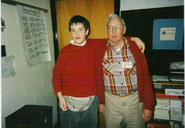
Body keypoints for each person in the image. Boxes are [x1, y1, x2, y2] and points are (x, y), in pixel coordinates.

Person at [52, 15, 145, 128]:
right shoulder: (65, 51)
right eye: (73, 30)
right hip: (69, 101)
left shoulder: (94, 44)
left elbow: (114, 37)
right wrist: (60, 97)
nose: (77, 34)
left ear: (87, 31)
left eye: (80, 30)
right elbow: (56, 75)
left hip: (91, 101)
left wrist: (133, 38)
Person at [95, 14, 155, 128]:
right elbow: (98, 79)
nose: (114, 31)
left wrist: (148, 106)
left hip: (135, 102)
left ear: (124, 29)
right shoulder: (100, 50)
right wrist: (101, 102)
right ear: (106, 30)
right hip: (111, 103)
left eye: (118, 27)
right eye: (110, 27)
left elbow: (146, 78)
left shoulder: (136, 48)